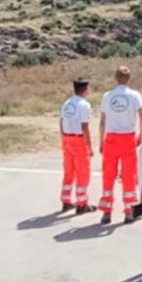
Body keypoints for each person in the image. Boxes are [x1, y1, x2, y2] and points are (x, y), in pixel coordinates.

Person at [98, 65, 142, 225]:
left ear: (116, 78)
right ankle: (129, 212)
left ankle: (106, 212)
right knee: (129, 176)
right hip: (127, 139)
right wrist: (141, 135)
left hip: (111, 139)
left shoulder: (107, 96)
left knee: (108, 176)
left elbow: (102, 121)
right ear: (128, 78)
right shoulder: (134, 95)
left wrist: (101, 141)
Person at [59, 78, 95, 214]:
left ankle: (66, 200)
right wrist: (89, 146)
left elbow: (61, 122)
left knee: (69, 171)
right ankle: (82, 203)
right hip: (78, 140)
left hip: (67, 138)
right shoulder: (84, 105)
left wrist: (63, 138)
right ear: (85, 89)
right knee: (82, 173)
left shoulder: (67, 103)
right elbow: (84, 127)